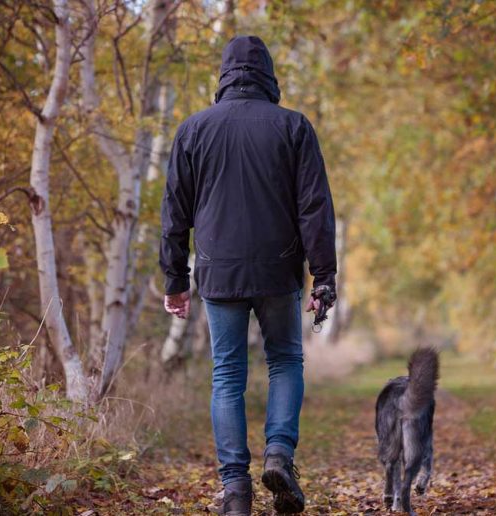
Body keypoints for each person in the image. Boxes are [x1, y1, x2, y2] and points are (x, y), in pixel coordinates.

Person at [158, 35, 337, 516]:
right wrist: (324, 275)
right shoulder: (293, 127)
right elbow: (314, 208)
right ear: (268, 74)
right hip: (279, 269)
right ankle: (279, 454)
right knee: (284, 361)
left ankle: (235, 488)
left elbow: (175, 212)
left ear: (224, 74)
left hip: (218, 272)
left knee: (227, 375)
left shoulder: (193, 130)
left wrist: (175, 278)